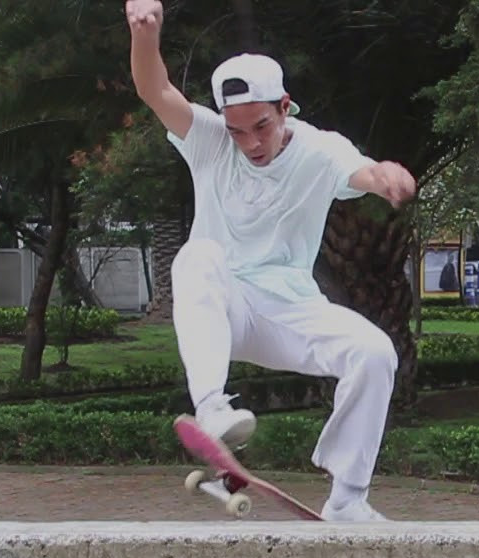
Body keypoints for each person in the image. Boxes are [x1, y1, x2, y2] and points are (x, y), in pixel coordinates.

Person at [126, 0, 416, 521]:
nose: (250, 143)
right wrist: (145, 34)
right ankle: (213, 407)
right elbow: (155, 90)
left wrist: (386, 176)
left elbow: (362, 172)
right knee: (198, 258)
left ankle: (349, 497)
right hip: (224, 305)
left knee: (374, 352)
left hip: (290, 312)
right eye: (237, 131)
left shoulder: (319, 150)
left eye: (260, 126)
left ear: (285, 107)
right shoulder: (211, 141)